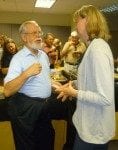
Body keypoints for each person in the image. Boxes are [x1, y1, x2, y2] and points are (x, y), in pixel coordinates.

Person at [55, 5, 115, 150]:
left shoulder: (97, 50)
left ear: (88, 21)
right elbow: (92, 79)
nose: (76, 24)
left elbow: (104, 97)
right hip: (90, 127)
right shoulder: (94, 47)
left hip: (94, 130)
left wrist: (73, 93)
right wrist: (74, 84)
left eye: (78, 21)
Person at [4, 20, 55, 150]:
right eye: (34, 33)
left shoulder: (43, 55)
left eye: (39, 32)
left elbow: (45, 79)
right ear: (24, 37)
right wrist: (26, 73)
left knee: (47, 141)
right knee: (28, 146)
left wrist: (56, 86)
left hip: (44, 107)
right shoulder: (18, 59)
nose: (39, 36)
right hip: (26, 109)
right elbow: (7, 91)